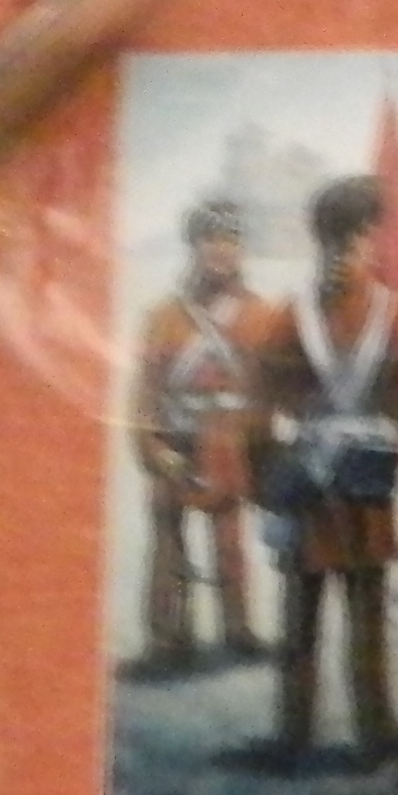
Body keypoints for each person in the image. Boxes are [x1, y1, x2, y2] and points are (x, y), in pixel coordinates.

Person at [253, 175, 398, 764]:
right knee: (348, 611)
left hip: (326, 479)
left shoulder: (295, 313)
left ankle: (307, 734)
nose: (359, 246)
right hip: (346, 481)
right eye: (356, 235)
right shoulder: (390, 315)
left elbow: (264, 396)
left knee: (320, 613)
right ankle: (363, 733)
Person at [125, 199, 273, 673]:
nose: (221, 250)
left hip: (229, 441)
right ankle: (166, 639)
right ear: (194, 246)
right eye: (211, 239)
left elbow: (268, 392)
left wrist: (260, 450)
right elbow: (146, 391)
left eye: (231, 240)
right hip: (176, 441)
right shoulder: (163, 317)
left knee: (230, 538)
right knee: (167, 540)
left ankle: (238, 630)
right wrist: (154, 448)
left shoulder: (260, 315)